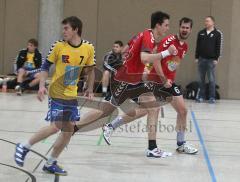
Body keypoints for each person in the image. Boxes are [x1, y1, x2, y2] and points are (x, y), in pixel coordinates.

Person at [74, 11, 176, 152]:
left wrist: (132, 65)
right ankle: (74, 127)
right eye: (166, 25)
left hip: (135, 79)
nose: (168, 28)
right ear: (158, 25)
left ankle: (152, 148)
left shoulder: (142, 34)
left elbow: (126, 49)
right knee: (106, 110)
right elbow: (144, 58)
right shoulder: (149, 37)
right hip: (125, 80)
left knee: (152, 108)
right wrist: (167, 53)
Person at [103, 17, 198, 157]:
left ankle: (180, 144)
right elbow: (156, 58)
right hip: (157, 80)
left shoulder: (185, 46)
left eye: (187, 28)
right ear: (179, 27)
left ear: (190, 30)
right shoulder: (170, 40)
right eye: (182, 27)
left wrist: (170, 79)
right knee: (149, 110)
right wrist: (163, 78)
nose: (184, 30)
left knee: (180, 111)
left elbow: (173, 65)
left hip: (168, 82)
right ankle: (114, 127)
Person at [14, 16, 96, 176]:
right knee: (56, 126)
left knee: (68, 131)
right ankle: (24, 145)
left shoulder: (88, 48)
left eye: (66, 28)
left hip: (72, 95)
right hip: (57, 92)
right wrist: (41, 85)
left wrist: (90, 88)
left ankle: (50, 163)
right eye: (63, 28)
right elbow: (45, 67)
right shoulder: (58, 46)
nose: (63, 31)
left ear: (76, 30)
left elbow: (90, 70)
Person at [195, 16, 223, 103]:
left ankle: (212, 97)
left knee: (211, 79)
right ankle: (201, 97)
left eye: (208, 21)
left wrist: (216, 58)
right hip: (201, 59)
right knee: (201, 79)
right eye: (205, 21)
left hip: (211, 60)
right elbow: (198, 46)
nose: (206, 22)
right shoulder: (201, 33)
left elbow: (218, 46)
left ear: (213, 22)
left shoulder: (217, 33)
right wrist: (196, 57)